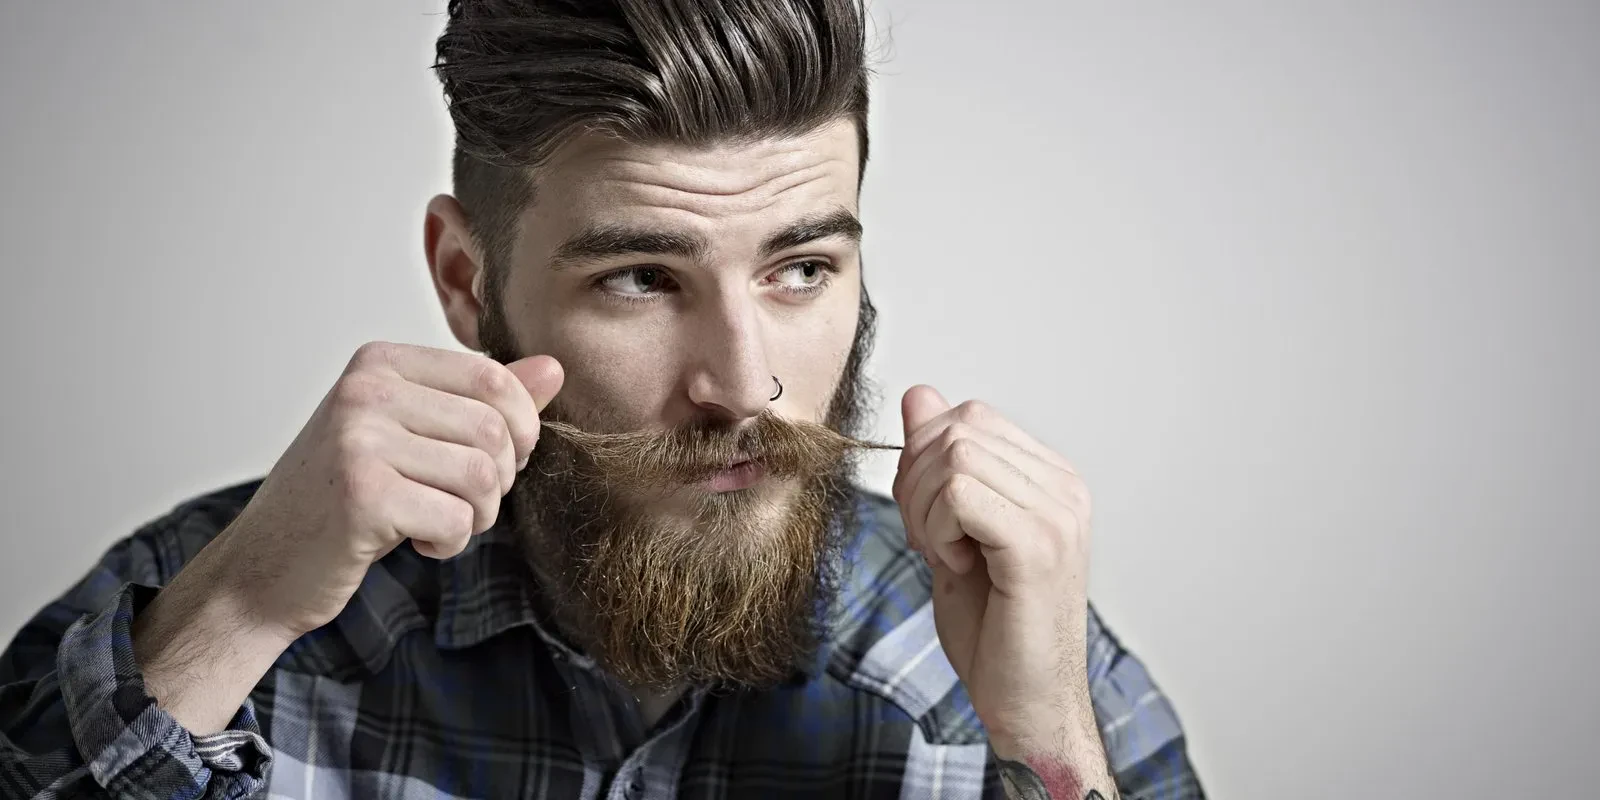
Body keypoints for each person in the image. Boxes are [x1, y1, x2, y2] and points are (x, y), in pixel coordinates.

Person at [0, 1, 1202, 798]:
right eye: (640, 277)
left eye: (800, 269)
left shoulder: (1008, 652)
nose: (744, 383)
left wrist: (1044, 741)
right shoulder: (209, 609)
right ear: (468, 284)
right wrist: (242, 612)